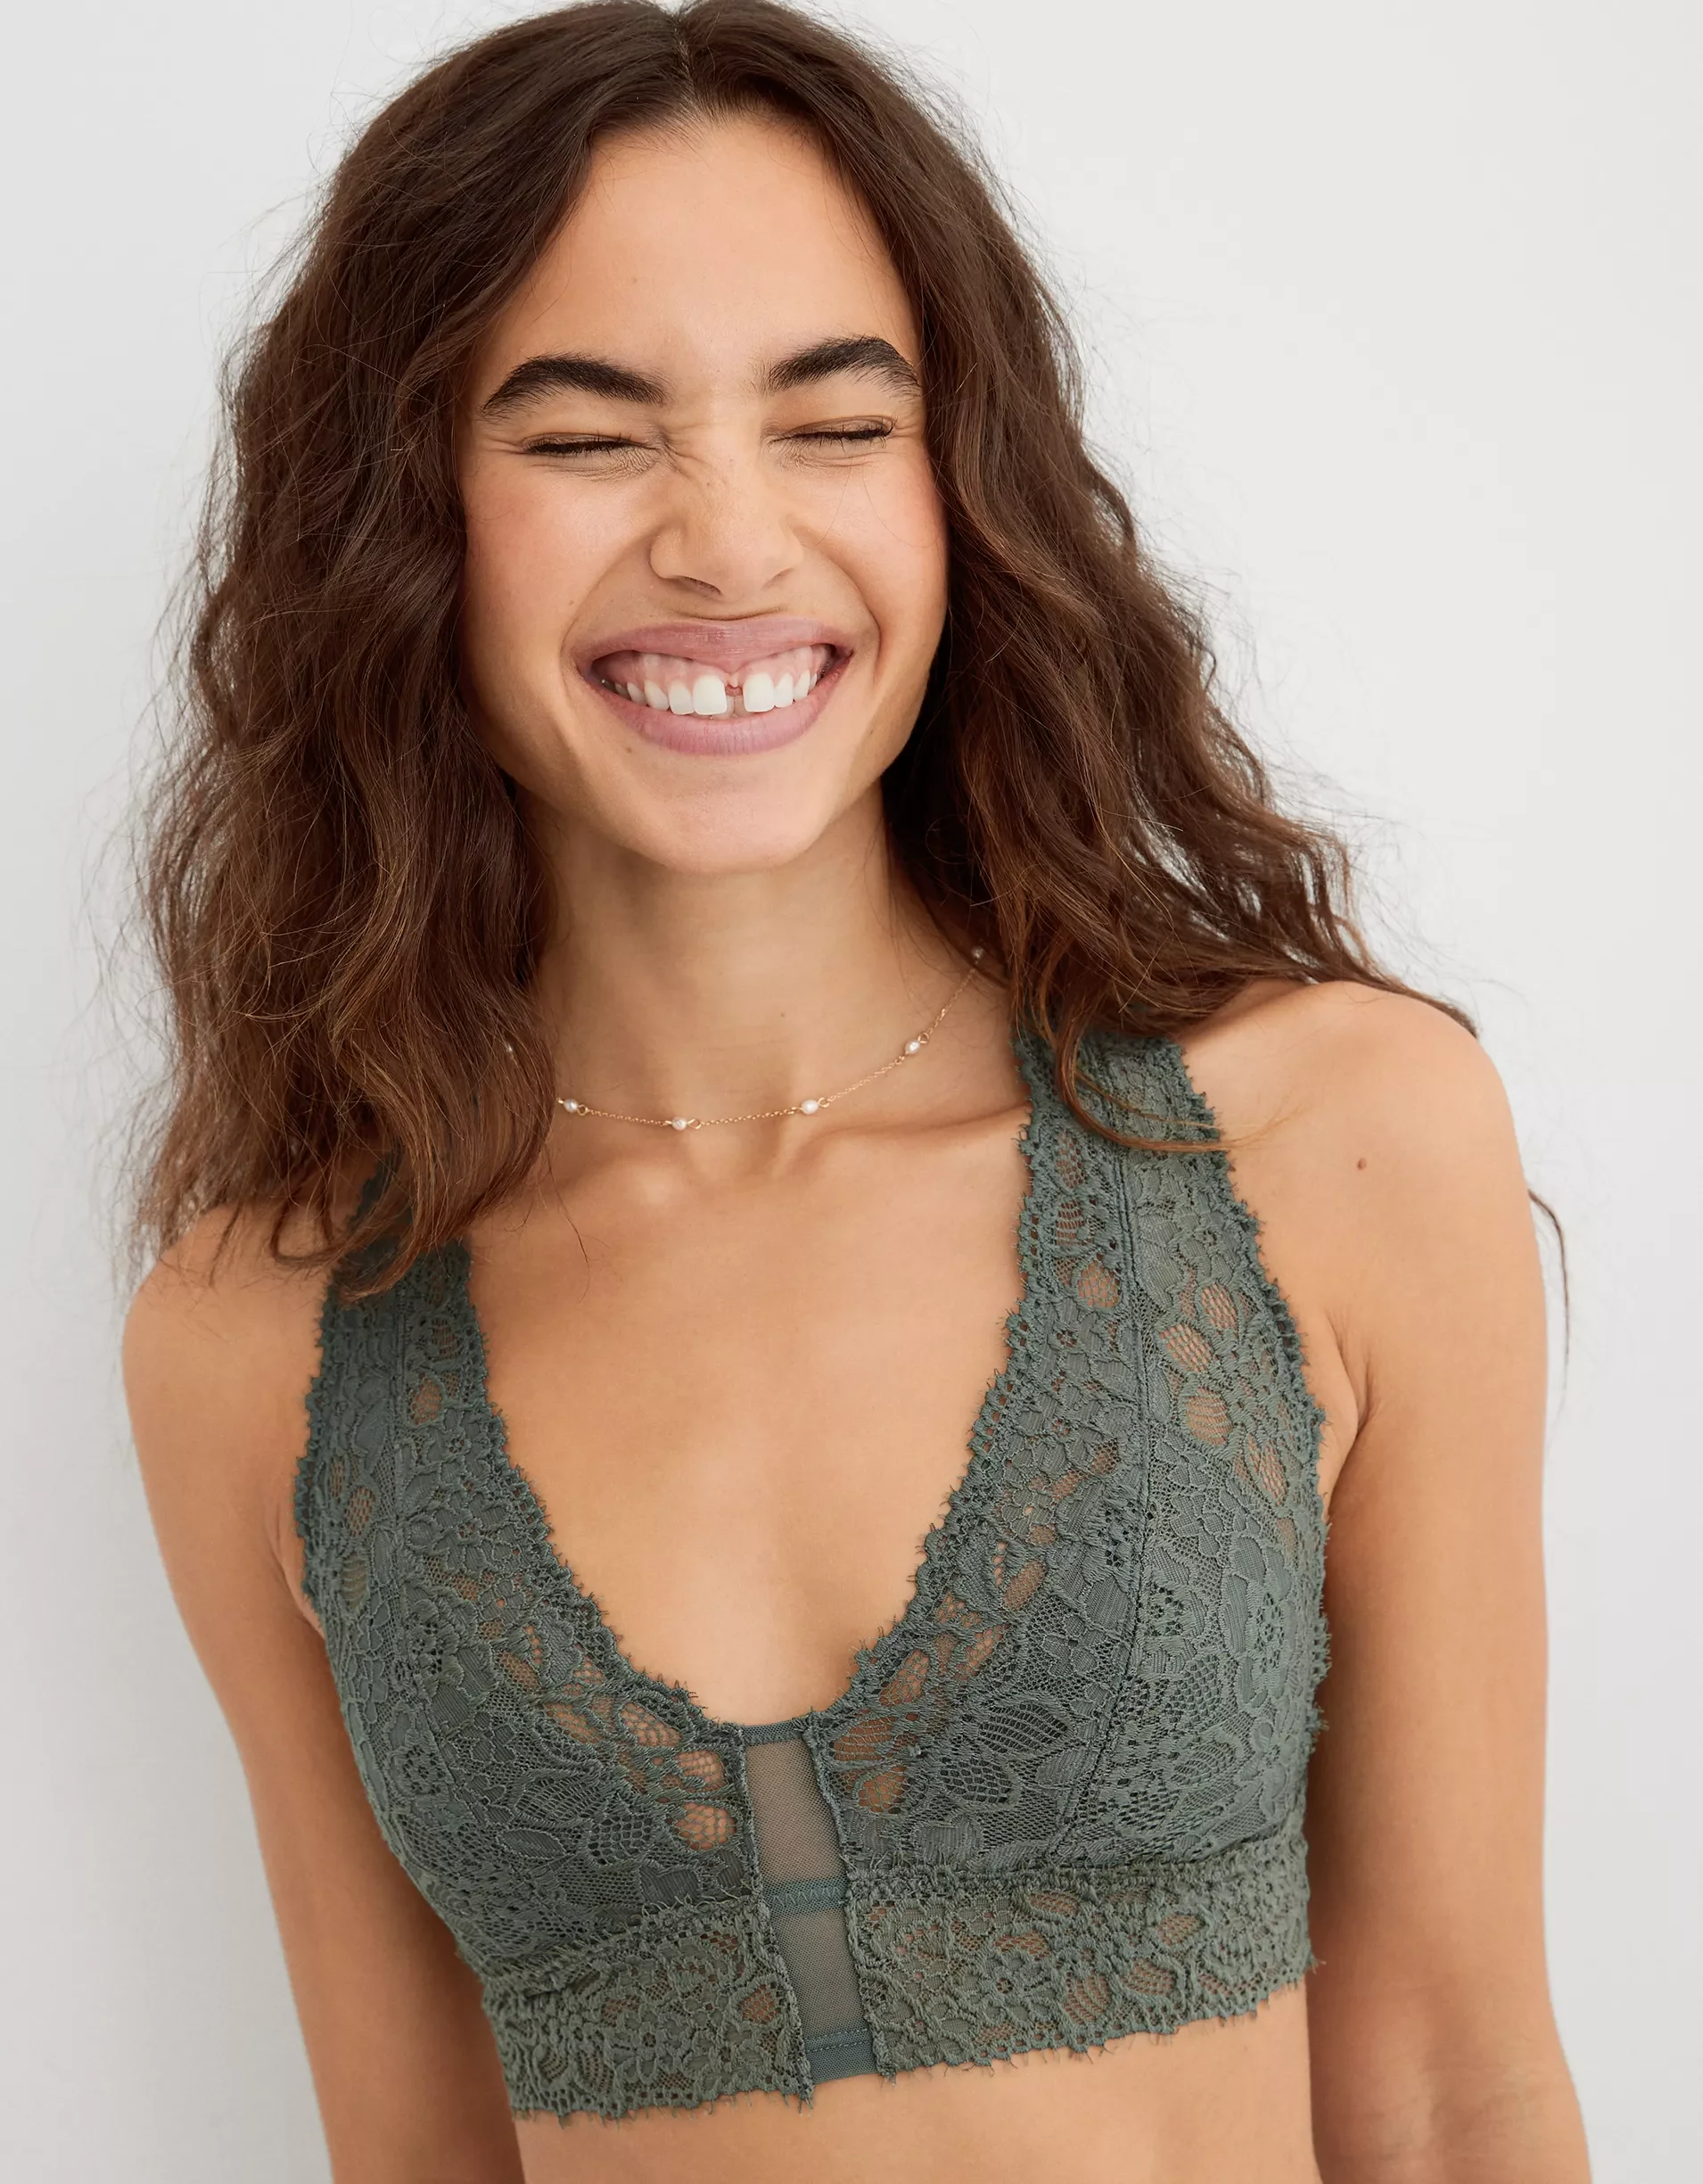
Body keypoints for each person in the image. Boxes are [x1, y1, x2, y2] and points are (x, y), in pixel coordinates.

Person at [122, 4, 1591, 2179]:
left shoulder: (1336, 1139)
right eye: (585, 435)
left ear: (958, 485)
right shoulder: (262, 1334)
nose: (727, 543)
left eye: (833, 423)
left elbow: (1458, 2092)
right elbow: (412, 2153)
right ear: (402, 518)